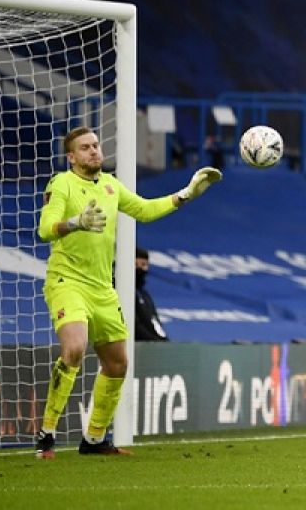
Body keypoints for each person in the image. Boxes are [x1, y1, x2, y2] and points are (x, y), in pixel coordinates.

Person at [35, 127, 221, 458]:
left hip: (102, 287)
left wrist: (186, 194)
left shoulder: (110, 185)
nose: (93, 151)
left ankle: (94, 440)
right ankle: (47, 431)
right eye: (85, 147)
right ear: (71, 157)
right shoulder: (61, 183)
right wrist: (75, 222)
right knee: (75, 348)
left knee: (118, 364)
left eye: (95, 145)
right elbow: (44, 229)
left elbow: (145, 211)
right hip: (68, 282)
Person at [134, 246, 168, 342]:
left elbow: (154, 322)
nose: (140, 268)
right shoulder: (121, 293)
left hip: (151, 349)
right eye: (136, 264)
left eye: (144, 264)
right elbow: (134, 324)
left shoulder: (145, 296)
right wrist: (153, 341)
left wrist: (163, 341)